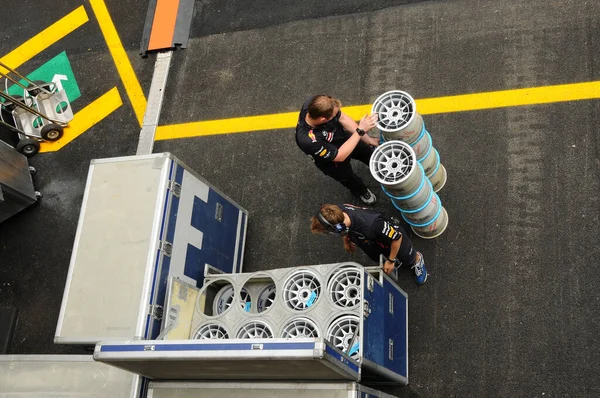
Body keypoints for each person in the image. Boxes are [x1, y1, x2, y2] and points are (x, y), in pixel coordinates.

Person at [311, 203, 427, 284]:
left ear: (338, 227)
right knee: (378, 255)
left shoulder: (372, 225)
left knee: (406, 255)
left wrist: (391, 261)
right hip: (372, 241)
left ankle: (417, 259)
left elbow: (397, 238)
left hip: (390, 237)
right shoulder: (336, 211)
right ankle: (393, 257)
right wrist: (346, 239)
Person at [296, 95, 380, 205]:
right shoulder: (307, 140)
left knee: (366, 152)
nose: (337, 114)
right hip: (332, 160)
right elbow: (340, 156)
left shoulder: (315, 104)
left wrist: (368, 140)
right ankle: (361, 191)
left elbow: (343, 118)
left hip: (343, 139)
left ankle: (379, 169)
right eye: (334, 115)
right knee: (348, 178)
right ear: (323, 119)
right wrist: (360, 131)